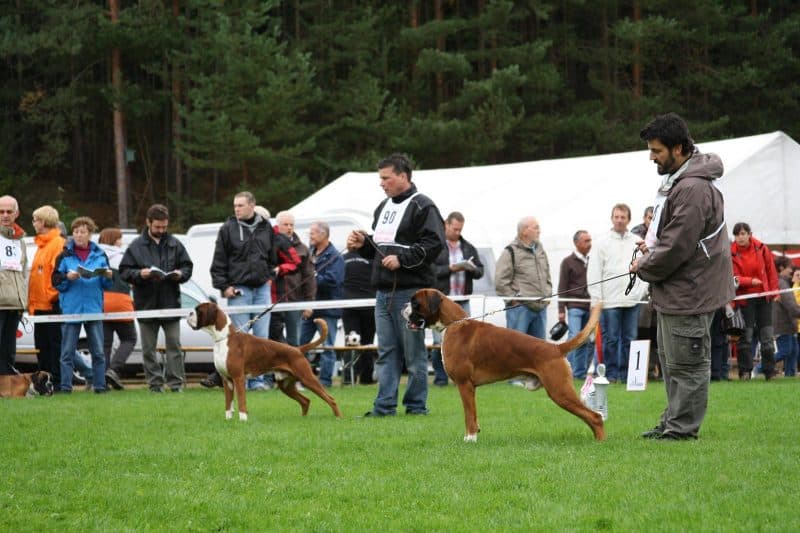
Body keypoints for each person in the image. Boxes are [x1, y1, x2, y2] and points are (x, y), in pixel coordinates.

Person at [632, 112, 734, 440]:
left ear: (678, 148)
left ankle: (682, 430)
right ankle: (672, 422)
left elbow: (677, 245)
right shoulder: (680, 181)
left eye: (657, 151)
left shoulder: (692, 189)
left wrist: (643, 267)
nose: (652, 157)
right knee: (673, 362)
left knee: (687, 365)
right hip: (677, 290)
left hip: (690, 291)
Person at [347, 153, 444, 416]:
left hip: (411, 294)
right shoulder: (383, 207)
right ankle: (384, 407)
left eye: (386, 178)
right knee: (387, 352)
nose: (382, 183)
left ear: (403, 176)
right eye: (381, 179)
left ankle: (416, 407)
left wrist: (403, 260)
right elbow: (381, 251)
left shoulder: (423, 207)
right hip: (383, 292)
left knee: (414, 355)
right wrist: (364, 245)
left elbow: (435, 245)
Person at [119, 204, 193, 392]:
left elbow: (187, 267)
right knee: (148, 349)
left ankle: (176, 384)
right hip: (146, 305)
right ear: (148, 223)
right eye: (157, 227)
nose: (161, 230)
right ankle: (155, 384)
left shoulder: (175, 244)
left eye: (164, 227)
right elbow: (124, 271)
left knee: (174, 346)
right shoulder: (136, 246)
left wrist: (180, 274)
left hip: (171, 303)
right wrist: (139, 274)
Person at [209, 191, 276, 391]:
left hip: (262, 288)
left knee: (262, 339)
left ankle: (258, 381)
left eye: (240, 205)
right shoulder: (227, 229)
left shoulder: (266, 228)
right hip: (239, 290)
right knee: (240, 340)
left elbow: (272, 256)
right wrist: (224, 286)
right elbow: (218, 261)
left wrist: (270, 276)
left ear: (252, 206)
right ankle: (241, 381)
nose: (236, 209)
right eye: (235, 205)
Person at [587, 204, 648, 384]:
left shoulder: (637, 241)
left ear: (628, 219)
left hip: (632, 300)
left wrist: (640, 291)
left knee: (630, 339)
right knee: (611, 340)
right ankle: (610, 375)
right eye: (616, 217)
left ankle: (629, 375)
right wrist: (597, 298)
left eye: (623, 217)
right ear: (612, 218)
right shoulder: (601, 242)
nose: (619, 220)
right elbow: (594, 272)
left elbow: (645, 267)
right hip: (609, 301)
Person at [52, 216, 112, 392]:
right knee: (67, 353)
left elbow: (107, 285)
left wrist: (108, 276)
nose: (78, 235)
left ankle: (100, 387)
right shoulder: (63, 255)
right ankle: (65, 387)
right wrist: (66, 278)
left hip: (94, 308)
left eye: (83, 232)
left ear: (90, 234)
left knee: (99, 352)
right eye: (76, 232)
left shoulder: (101, 255)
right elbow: (56, 282)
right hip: (71, 309)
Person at [431, 211, 484, 386]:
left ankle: (462, 376)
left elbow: (480, 271)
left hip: (463, 300)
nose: (458, 232)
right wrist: (450, 269)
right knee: (440, 341)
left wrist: (470, 268)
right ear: (446, 224)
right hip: (441, 303)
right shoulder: (436, 246)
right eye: (455, 229)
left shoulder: (468, 247)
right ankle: (440, 378)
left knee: (465, 341)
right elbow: (431, 272)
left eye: (460, 229)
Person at [730, 222, 779, 380]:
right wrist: (750, 281)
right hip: (744, 300)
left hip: (764, 298)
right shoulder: (730, 253)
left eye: (743, 233)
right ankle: (745, 372)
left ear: (750, 234)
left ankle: (769, 372)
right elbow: (734, 277)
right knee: (746, 337)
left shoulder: (762, 248)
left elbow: (771, 270)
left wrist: (774, 290)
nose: (740, 237)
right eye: (737, 234)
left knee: (766, 336)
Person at [300, 221, 344, 387]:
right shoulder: (309, 253)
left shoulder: (335, 256)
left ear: (323, 235)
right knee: (301, 344)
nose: (309, 236)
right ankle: (303, 379)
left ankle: (324, 382)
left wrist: (312, 279)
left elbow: (334, 280)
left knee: (328, 346)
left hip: (328, 308)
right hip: (309, 307)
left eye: (312, 233)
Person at [495, 216, 552, 339]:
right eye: (536, 228)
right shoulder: (510, 251)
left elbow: (547, 274)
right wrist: (514, 299)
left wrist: (548, 294)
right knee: (516, 350)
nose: (539, 231)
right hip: (520, 309)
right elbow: (500, 281)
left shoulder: (540, 250)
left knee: (539, 351)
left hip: (540, 308)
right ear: (524, 231)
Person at [28, 205, 64, 385]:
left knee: (54, 347)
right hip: (40, 307)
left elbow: (58, 274)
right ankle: (44, 383)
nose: (33, 223)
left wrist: (51, 296)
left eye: (35, 220)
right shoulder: (41, 245)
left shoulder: (57, 244)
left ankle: (56, 383)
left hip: (52, 306)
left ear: (43, 221)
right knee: (42, 348)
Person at [97, 227, 137, 390]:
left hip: (102, 303)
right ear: (114, 240)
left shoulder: (97, 256)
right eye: (119, 239)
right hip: (121, 302)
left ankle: (103, 378)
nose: (121, 242)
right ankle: (114, 369)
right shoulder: (122, 257)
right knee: (129, 338)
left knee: (106, 344)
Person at [557, 230, 593, 379]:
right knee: (574, 338)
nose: (590, 244)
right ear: (576, 243)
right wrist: (561, 310)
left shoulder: (593, 260)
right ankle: (566, 370)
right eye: (586, 241)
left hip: (589, 306)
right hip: (574, 306)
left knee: (585, 339)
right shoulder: (567, 262)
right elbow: (562, 286)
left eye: (590, 240)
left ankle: (579, 372)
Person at [271, 210, 310, 345]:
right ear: (277, 225)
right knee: (274, 340)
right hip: (274, 299)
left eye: (291, 225)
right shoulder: (268, 244)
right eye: (285, 224)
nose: (289, 228)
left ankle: (294, 366)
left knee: (294, 341)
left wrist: (309, 303)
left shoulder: (303, 249)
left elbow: (309, 277)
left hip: (294, 300)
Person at [0, 195, 27, 375]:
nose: (5, 215)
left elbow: (23, 271)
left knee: (8, 349)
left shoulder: (20, 240)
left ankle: (7, 386)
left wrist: (23, 298)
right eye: (1, 211)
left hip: (15, 302)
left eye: (9, 211)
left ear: (16, 213)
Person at [341, 249, 376, 385]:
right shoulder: (343, 257)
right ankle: (349, 378)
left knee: (367, 343)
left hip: (369, 305)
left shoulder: (373, 257)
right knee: (351, 342)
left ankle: (366, 378)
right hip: (350, 306)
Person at [772, 256, 800, 377]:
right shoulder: (782, 283)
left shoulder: (784, 282)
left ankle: (790, 375)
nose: (791, 270)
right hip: (782, 324)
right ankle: (761, 367)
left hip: (788, 323)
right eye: (789, 267)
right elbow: (791, 306)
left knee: (794, 350)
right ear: (781, 268)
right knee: (785, 351)